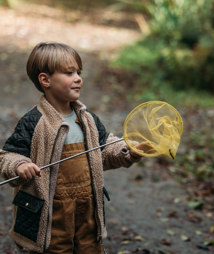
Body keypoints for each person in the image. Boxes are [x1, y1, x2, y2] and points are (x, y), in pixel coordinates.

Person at [0, 42, 143, 254]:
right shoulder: (34, 122)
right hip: (52, 214)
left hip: (87, 210)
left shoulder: (87, 119)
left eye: (78, 72)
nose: (78, 78)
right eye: (69, 73)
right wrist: (20, 165)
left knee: (89, 248)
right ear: (45, 80)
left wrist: (127, 150)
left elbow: (106, 148)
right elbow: (7, 156)